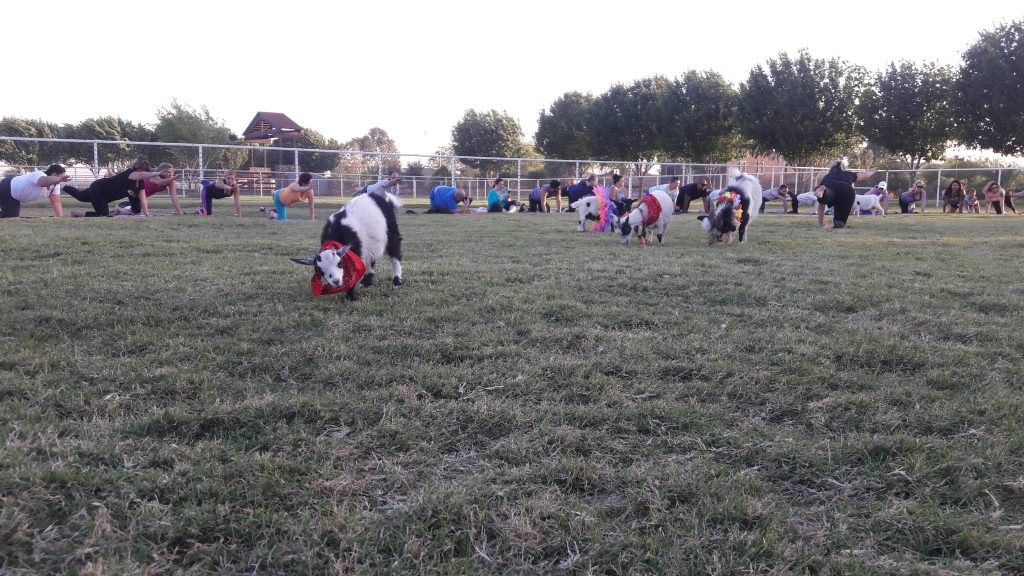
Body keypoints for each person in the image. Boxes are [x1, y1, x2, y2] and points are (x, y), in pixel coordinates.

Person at [64, 156, 165, 217]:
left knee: (80, 196)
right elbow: (141, 175)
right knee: (102, 215)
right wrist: (157, 173)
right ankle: (75, 212)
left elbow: (143, 200)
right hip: (99, 188)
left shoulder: (140, 182)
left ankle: (63, 186)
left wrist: (146, 214)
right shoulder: (130, 173)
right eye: (143, 172)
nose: (144, 174)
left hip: (104, 195)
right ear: (138, 169)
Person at [814, 161, 876, 229]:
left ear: (832, 167)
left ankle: (824, 190)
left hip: (831, 188)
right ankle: (833, 223)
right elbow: (865, 175)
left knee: (826, 195)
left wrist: (821, 222)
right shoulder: (849, 174)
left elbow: (821, 207)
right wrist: (874, 169)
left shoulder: (828, 176)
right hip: (847, 192)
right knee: (840, 221)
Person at [0, 164, 69, 218]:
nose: (62, 180)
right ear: (54, 174)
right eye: (61, 177)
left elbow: (56, 202)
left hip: (16, 195)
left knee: (12, 216)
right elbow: (44, 182)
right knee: (8, 217)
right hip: (8, 186)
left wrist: (60, 217)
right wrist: (59, 180)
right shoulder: (39, 175)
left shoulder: (55, 185)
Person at [114, 162, 181, 215]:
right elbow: (161, 182)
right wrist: (174, 178)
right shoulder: (156, 176)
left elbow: (174, 197)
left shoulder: (170, 182)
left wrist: (179, 211)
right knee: (136, 212)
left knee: (136, 210)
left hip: (143, 196)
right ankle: (119, 209)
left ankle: (123, 208)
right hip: (136, 191)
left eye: (172, 172)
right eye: (168, 172)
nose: (171, 174)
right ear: (162, 172)